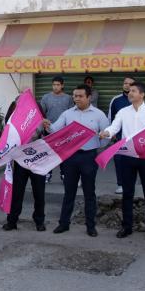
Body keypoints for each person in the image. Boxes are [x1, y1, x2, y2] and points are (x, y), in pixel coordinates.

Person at [43, 84, 109, 237]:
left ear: (88, 97)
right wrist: (48, 126)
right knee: (69, 192)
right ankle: (63, 224)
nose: (76, 99)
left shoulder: (99, 115)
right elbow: (55, 129)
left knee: (89, 193)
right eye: (74, 96)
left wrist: (97, 149)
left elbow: (106, 136)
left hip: (89, 157)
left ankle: (90, 226)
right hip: (70, 157)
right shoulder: (67, 114)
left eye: (80, 96)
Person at [100, 81, 145, 241]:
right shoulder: (122, 111)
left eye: (134, 91)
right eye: (129, 91)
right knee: (127, 193)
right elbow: (114, 127)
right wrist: (106, 132)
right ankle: (127, 227)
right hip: (127, 156)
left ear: (142, 94)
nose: (130, 93)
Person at [3, 101, 47, 232]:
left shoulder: (40, 118)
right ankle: (12, 220)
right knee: (16, 192)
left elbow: (43, 133)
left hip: (37, 159)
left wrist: (41, 126)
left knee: (39, 192)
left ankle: (39, 221)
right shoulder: (12, 121)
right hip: (19, 160)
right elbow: (7, 135)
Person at [40, 76, 73, 183]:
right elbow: (41, 114)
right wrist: (44, 123)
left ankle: (64, 174)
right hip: (49, 131)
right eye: (54, 85)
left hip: (64, 131)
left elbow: (72, 114)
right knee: (48, 153)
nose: (55, 87)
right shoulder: (46, 97)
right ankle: (47, 174)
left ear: (62, 85)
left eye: (58, 85)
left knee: (63, 154)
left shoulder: (68, 98)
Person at [108, 76, 136, 194]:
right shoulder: (116, 100)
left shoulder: (137, 99)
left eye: (130, 84)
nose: (127, 85)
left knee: (133, 163)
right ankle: (120, 184)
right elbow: (110, 117)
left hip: (134, 138)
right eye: (125, 83)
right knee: (119, 161)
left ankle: (131, 184)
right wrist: (112, 133)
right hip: (119, 138)